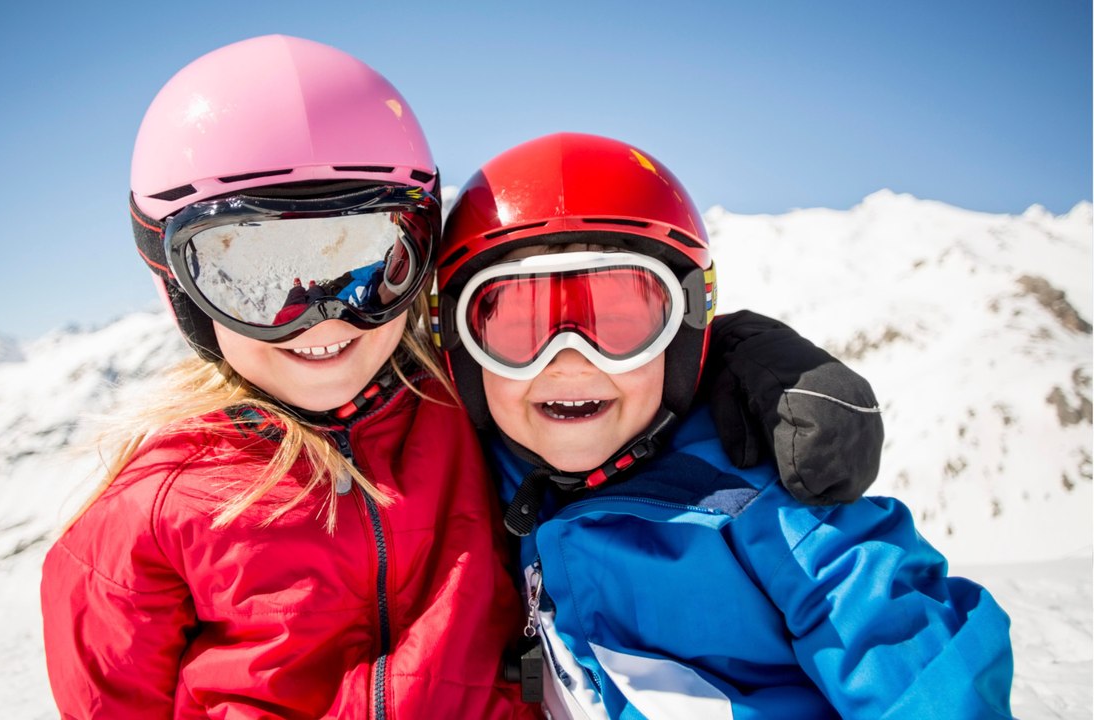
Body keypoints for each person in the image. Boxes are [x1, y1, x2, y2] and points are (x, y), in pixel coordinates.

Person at [40, 37, 883, 718]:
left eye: (364, 262)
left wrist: (747, 358)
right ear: (175, 283)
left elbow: (594, 356)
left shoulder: (463, 400)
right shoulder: (147, 516)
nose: (326, 318)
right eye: (254, 277)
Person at [434, 132, 1015, 718]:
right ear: (461, 346)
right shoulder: (477, 477)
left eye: (620, 323)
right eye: (515, 327)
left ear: (683, 335)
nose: (570, 360)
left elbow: (908, 655)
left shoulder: (764, 503)